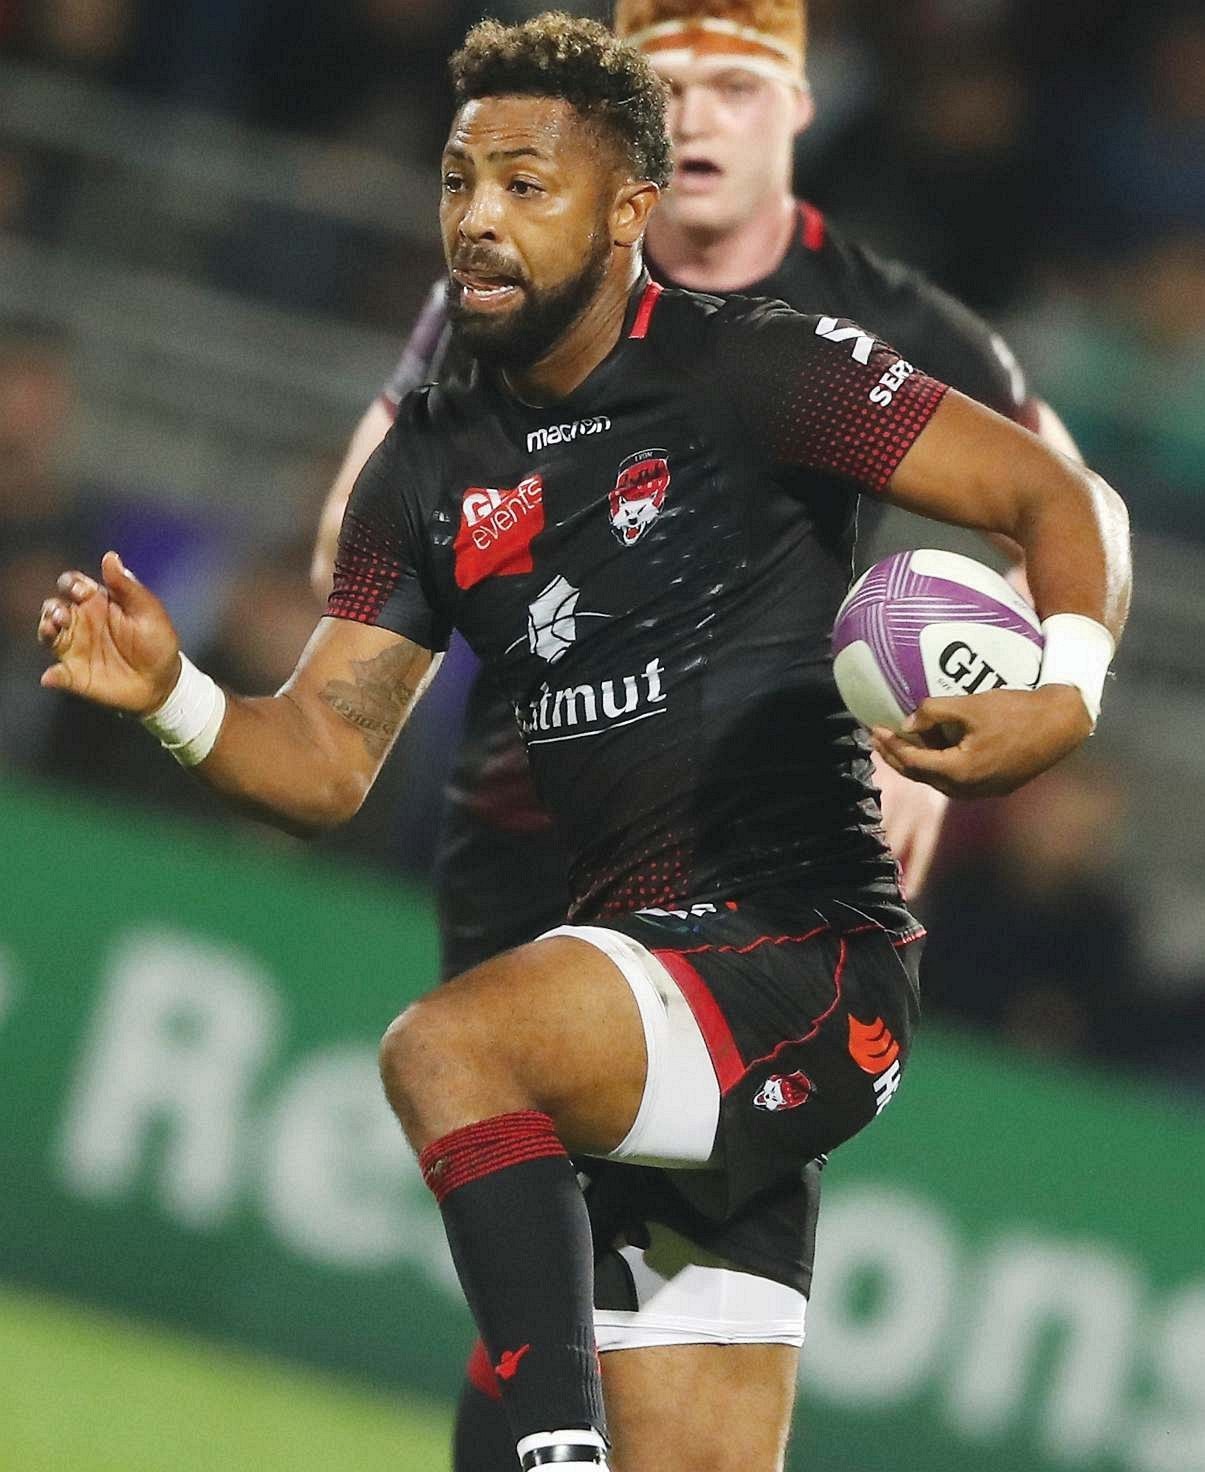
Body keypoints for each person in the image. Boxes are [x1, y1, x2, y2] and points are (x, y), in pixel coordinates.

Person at [39, 15, 1130, 1472]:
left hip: (800, 960)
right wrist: (175, 696)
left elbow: (1054, 497)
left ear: (626, 211)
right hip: (642, 1002)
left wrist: (1067, 689)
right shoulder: (428, 467)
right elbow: (321, 761)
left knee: (451, 1048)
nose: (478, 217)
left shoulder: (760, 367)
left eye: (526, 185)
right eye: (458, 180)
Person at [310, 11, 1084, 1452]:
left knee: (623, 1270)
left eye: (736, 84)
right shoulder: (516, 285)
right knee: (545, 1255)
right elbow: (349, 537)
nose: (701, 116)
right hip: (534, 836)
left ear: (800, 104)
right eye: (667, 87)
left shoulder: (887, 322)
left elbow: (1065, 509)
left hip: (763, 855)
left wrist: (989, 703)